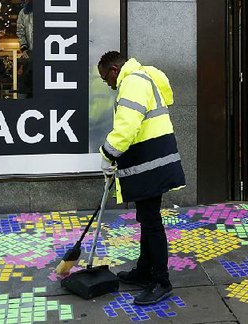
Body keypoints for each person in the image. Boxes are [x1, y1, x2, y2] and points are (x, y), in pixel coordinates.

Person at [97, 51, 186, 306]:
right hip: (151, 160)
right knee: (147, 218)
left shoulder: (133, 82)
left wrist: (108, 153)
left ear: (115, 70)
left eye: (106, 78)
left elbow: (127, 124)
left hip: (150, 163)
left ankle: (162, 281)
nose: (108, 84)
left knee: (151, 221)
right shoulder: (142, 76)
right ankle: (144, 271)